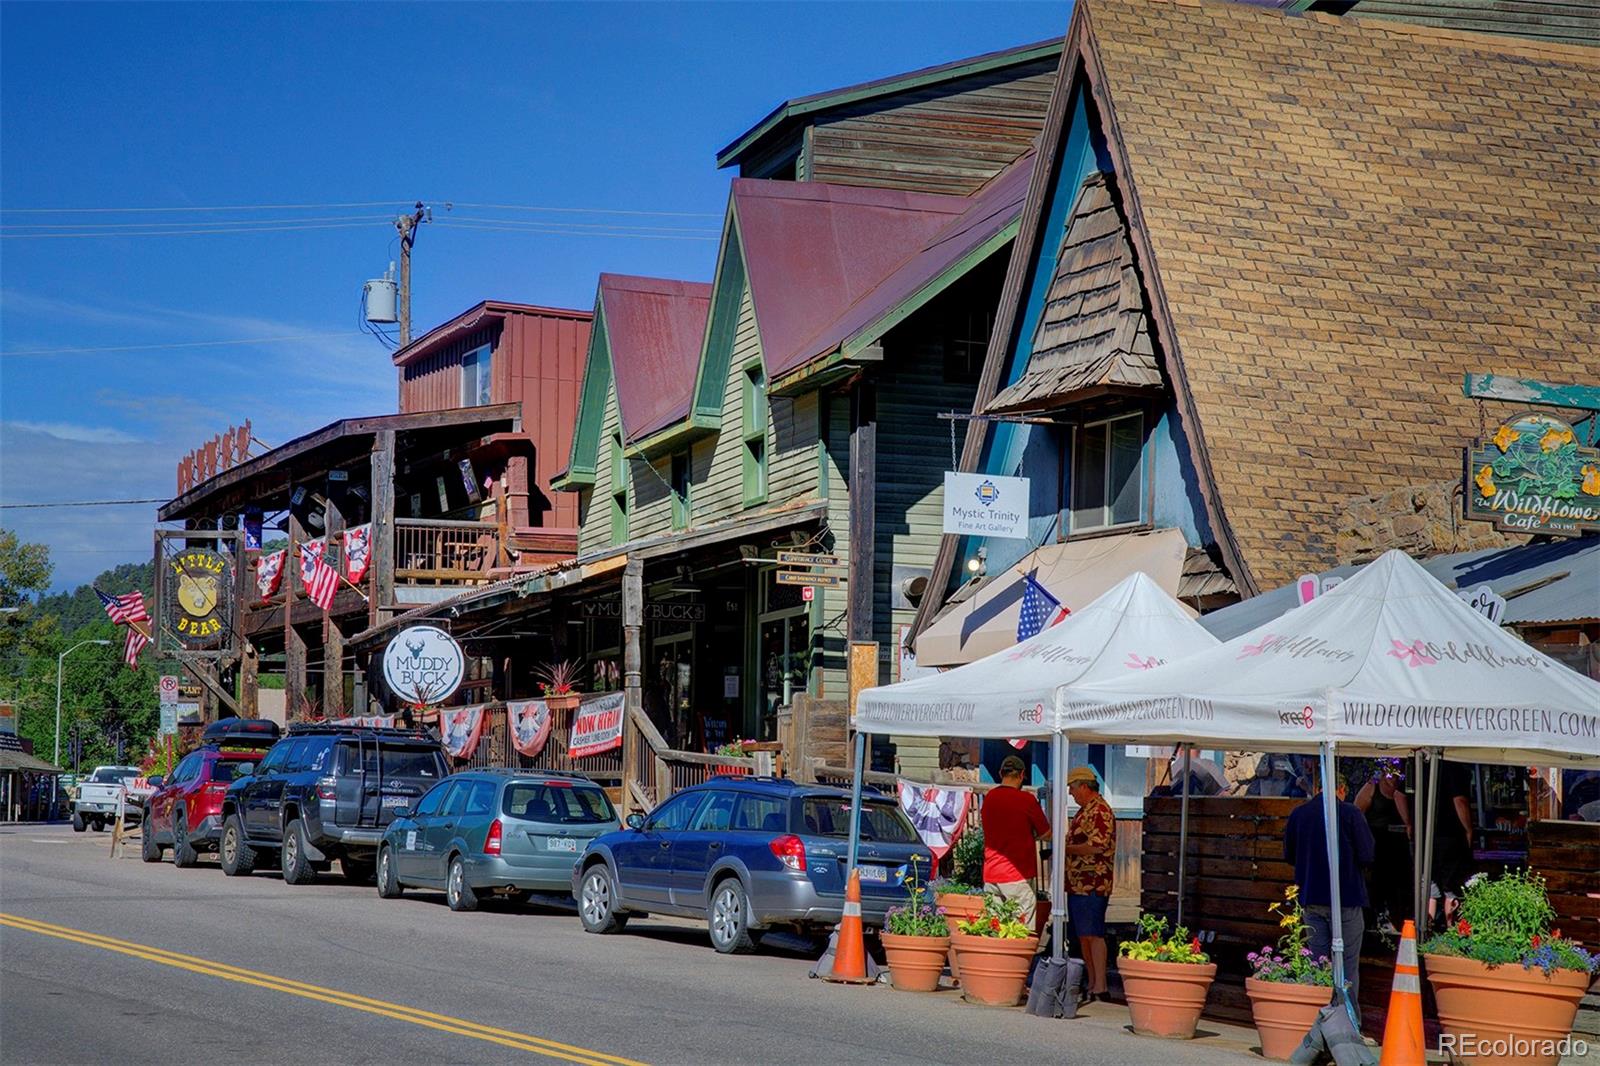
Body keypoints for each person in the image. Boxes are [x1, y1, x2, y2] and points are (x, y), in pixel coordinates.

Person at [1284, 778, 1375, 1002]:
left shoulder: (1299, 814)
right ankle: (1347, 1022)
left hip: (1311, 897)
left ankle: (1319, 1018)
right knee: (1348, 967)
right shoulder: (1350, 813)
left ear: (1317, 787)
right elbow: (1367, 854)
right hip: (1347, 898)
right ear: (1342, 790)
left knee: (1317, 963)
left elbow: (1289, 855)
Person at [979, 754, 1049, 934]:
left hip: (992, 873)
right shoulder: (1026, 800)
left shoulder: (989, 798)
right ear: (1022, 774)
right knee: (1021, 930)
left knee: (996, 929)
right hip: (1018, 874)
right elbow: (1046, 833)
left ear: (1000, 773)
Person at [1064, 765, 1116, 1002]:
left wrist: (1066, 849)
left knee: (1094, 934)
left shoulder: (1100, 811)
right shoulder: (1085, 810)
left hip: (1093, 881)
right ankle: (1093, 982)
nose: (1071, 793)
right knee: (1083, 935)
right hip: (1078, 882)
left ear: (1084, 787)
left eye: (1072, 788)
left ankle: (1100, 985)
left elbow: (1097, 846)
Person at [1355, 765, 1412, 933]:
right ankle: (1373, 922)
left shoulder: (1403, 788)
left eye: (1396, 773)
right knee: (1376, 884)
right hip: (1377, 844)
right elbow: (1357, 813)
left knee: (1399, 886)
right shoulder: (1372, 785)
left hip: (1399, 845)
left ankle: (1398, 921)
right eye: (1389, 772)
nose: (1392, 777)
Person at [1429, 761, 1476, 930]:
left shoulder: (1422, 763)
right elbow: (1460, 801)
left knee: (1430, 886)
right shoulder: (1454, 766)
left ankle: (1425, 931)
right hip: (1450, 834)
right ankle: (1452, 932)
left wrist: (1409, 824)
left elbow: (1399, 794)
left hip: (1426, 834)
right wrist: (1469, 829)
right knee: (1452, 888)